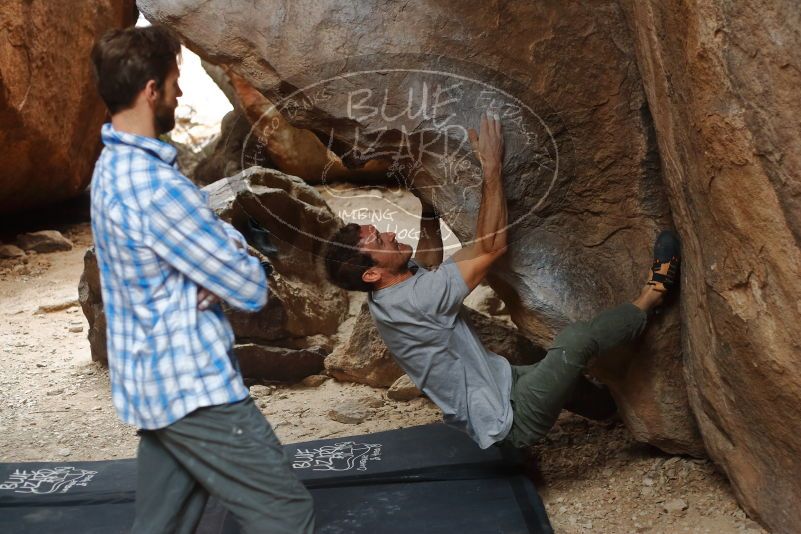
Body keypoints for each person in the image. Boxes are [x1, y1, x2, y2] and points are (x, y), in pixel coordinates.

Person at [324, 111, 680, 450]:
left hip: (502, 383)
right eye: (379, 241)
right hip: (510, 420)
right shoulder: (419, 300)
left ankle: (607, 411)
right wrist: (492, 170)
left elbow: (429, 258)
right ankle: (653, 295)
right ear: (372, 272)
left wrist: (425, 197)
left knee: (556, 373)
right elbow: (491, 248)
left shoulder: (386, 293)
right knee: (575, 341)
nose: (388, 233)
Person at [89, 26, 314, 533]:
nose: (179, 93)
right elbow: (250, 286)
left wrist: (204, 257)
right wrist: (228, 247)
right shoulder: (158, 189)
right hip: (195, 388)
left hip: (153, 386)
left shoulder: (110, 169)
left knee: (161, 526)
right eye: (173, 82)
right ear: (151, 91)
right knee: (287, 515)